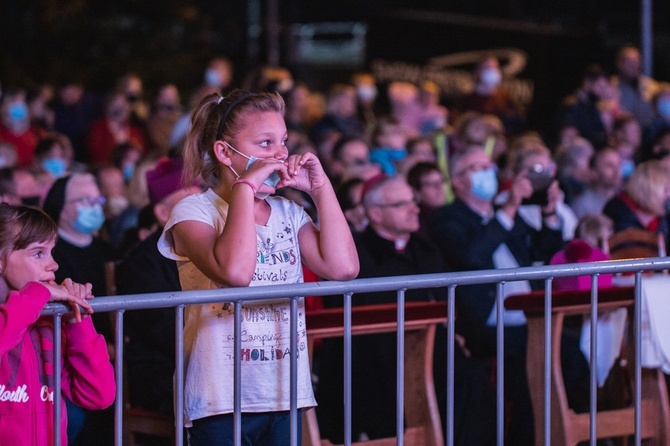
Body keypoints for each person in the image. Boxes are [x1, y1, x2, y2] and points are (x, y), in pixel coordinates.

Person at [157, 89, 359, 445]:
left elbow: (342, 268)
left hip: (284, 388)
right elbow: (236, 273)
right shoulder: (193, 213)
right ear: (224, 152)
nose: (281, 153)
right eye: (265, 143)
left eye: (283, 142)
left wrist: (321, 188)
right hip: (218, 396)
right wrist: (246, 188)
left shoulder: (288, 213)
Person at [430, 146, 564, 445]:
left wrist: (549, 210)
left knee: (571, 354)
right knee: (530, 368)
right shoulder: (446, 218)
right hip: (485, 326)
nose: (488, 171)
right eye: (476, 167)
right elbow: (471, 256)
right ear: (458, 182)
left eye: (488, 165)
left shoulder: (505, 215)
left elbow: (544, 251)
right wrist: (510, 207)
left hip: (527, 319)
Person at [0, 203, 115, 446]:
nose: (53, 264)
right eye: (38, 253)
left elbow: (98, 395)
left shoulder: (48, 323)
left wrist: (76, 319)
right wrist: (35, 294)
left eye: (52, 252)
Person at [115, 156, 200, 428]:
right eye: (192, 204)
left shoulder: (208, 250)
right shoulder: (140, 264)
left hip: (206, 358)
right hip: (164, 369)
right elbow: (163, 329)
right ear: (163, 213)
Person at [603, 159, 670, 247]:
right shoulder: (616, 213)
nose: (669, 195)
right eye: (666, 190)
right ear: (648, 189)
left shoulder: (664, 217)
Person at [458, 56, 526, 135]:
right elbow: (461, 124)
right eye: (487, 68)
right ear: (477, 72)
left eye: (495, 67)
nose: (492, 71)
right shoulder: (467, 99)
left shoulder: (506, 97)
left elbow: (519, 122)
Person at [555, 64, 613, 150]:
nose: (601, 93)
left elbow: (605, 137)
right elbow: (567, 140)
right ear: (587, 82)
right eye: (600, 87)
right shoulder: (571, 105)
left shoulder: (596, 107)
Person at [611, 44, 658, 130]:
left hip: (648, 130)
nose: (634, 67)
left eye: (637, 63)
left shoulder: (651, 86)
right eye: (630, 63)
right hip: (623, 131)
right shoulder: (612, 86)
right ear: (620, 64)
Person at [570, 148, 623, 219]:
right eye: (609, 166)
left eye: (619, 164)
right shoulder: (583, 205)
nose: (617, 171)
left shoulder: (625, 198)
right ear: (594, 172)